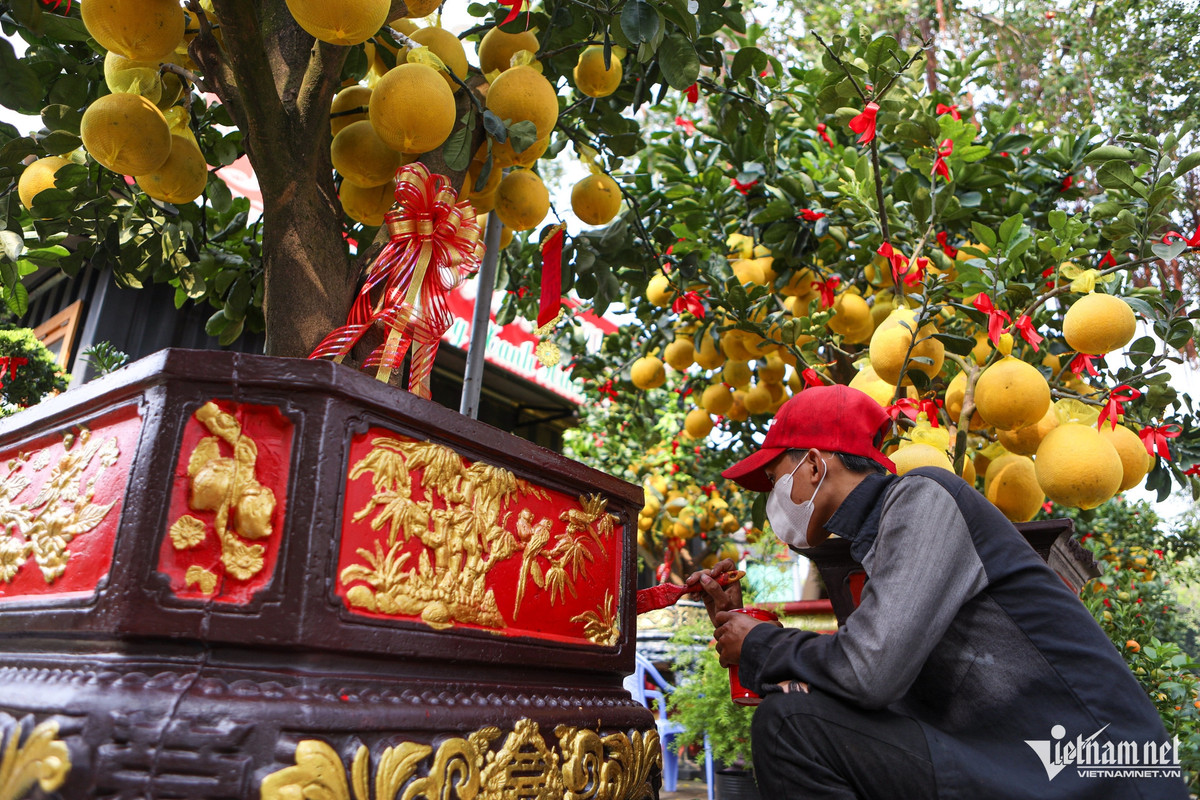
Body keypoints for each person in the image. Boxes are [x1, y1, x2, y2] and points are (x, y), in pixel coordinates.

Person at [686, 384, 1188, 799]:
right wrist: (749, 634)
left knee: (791, 726)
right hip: (1021, 763)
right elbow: (867, 681)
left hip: (1099, 777)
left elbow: (869, 670)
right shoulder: (877, 544)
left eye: (776, 480)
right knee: (798, 717)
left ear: (815, 466)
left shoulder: (924, 496)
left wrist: (763, 644)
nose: (775, 500)